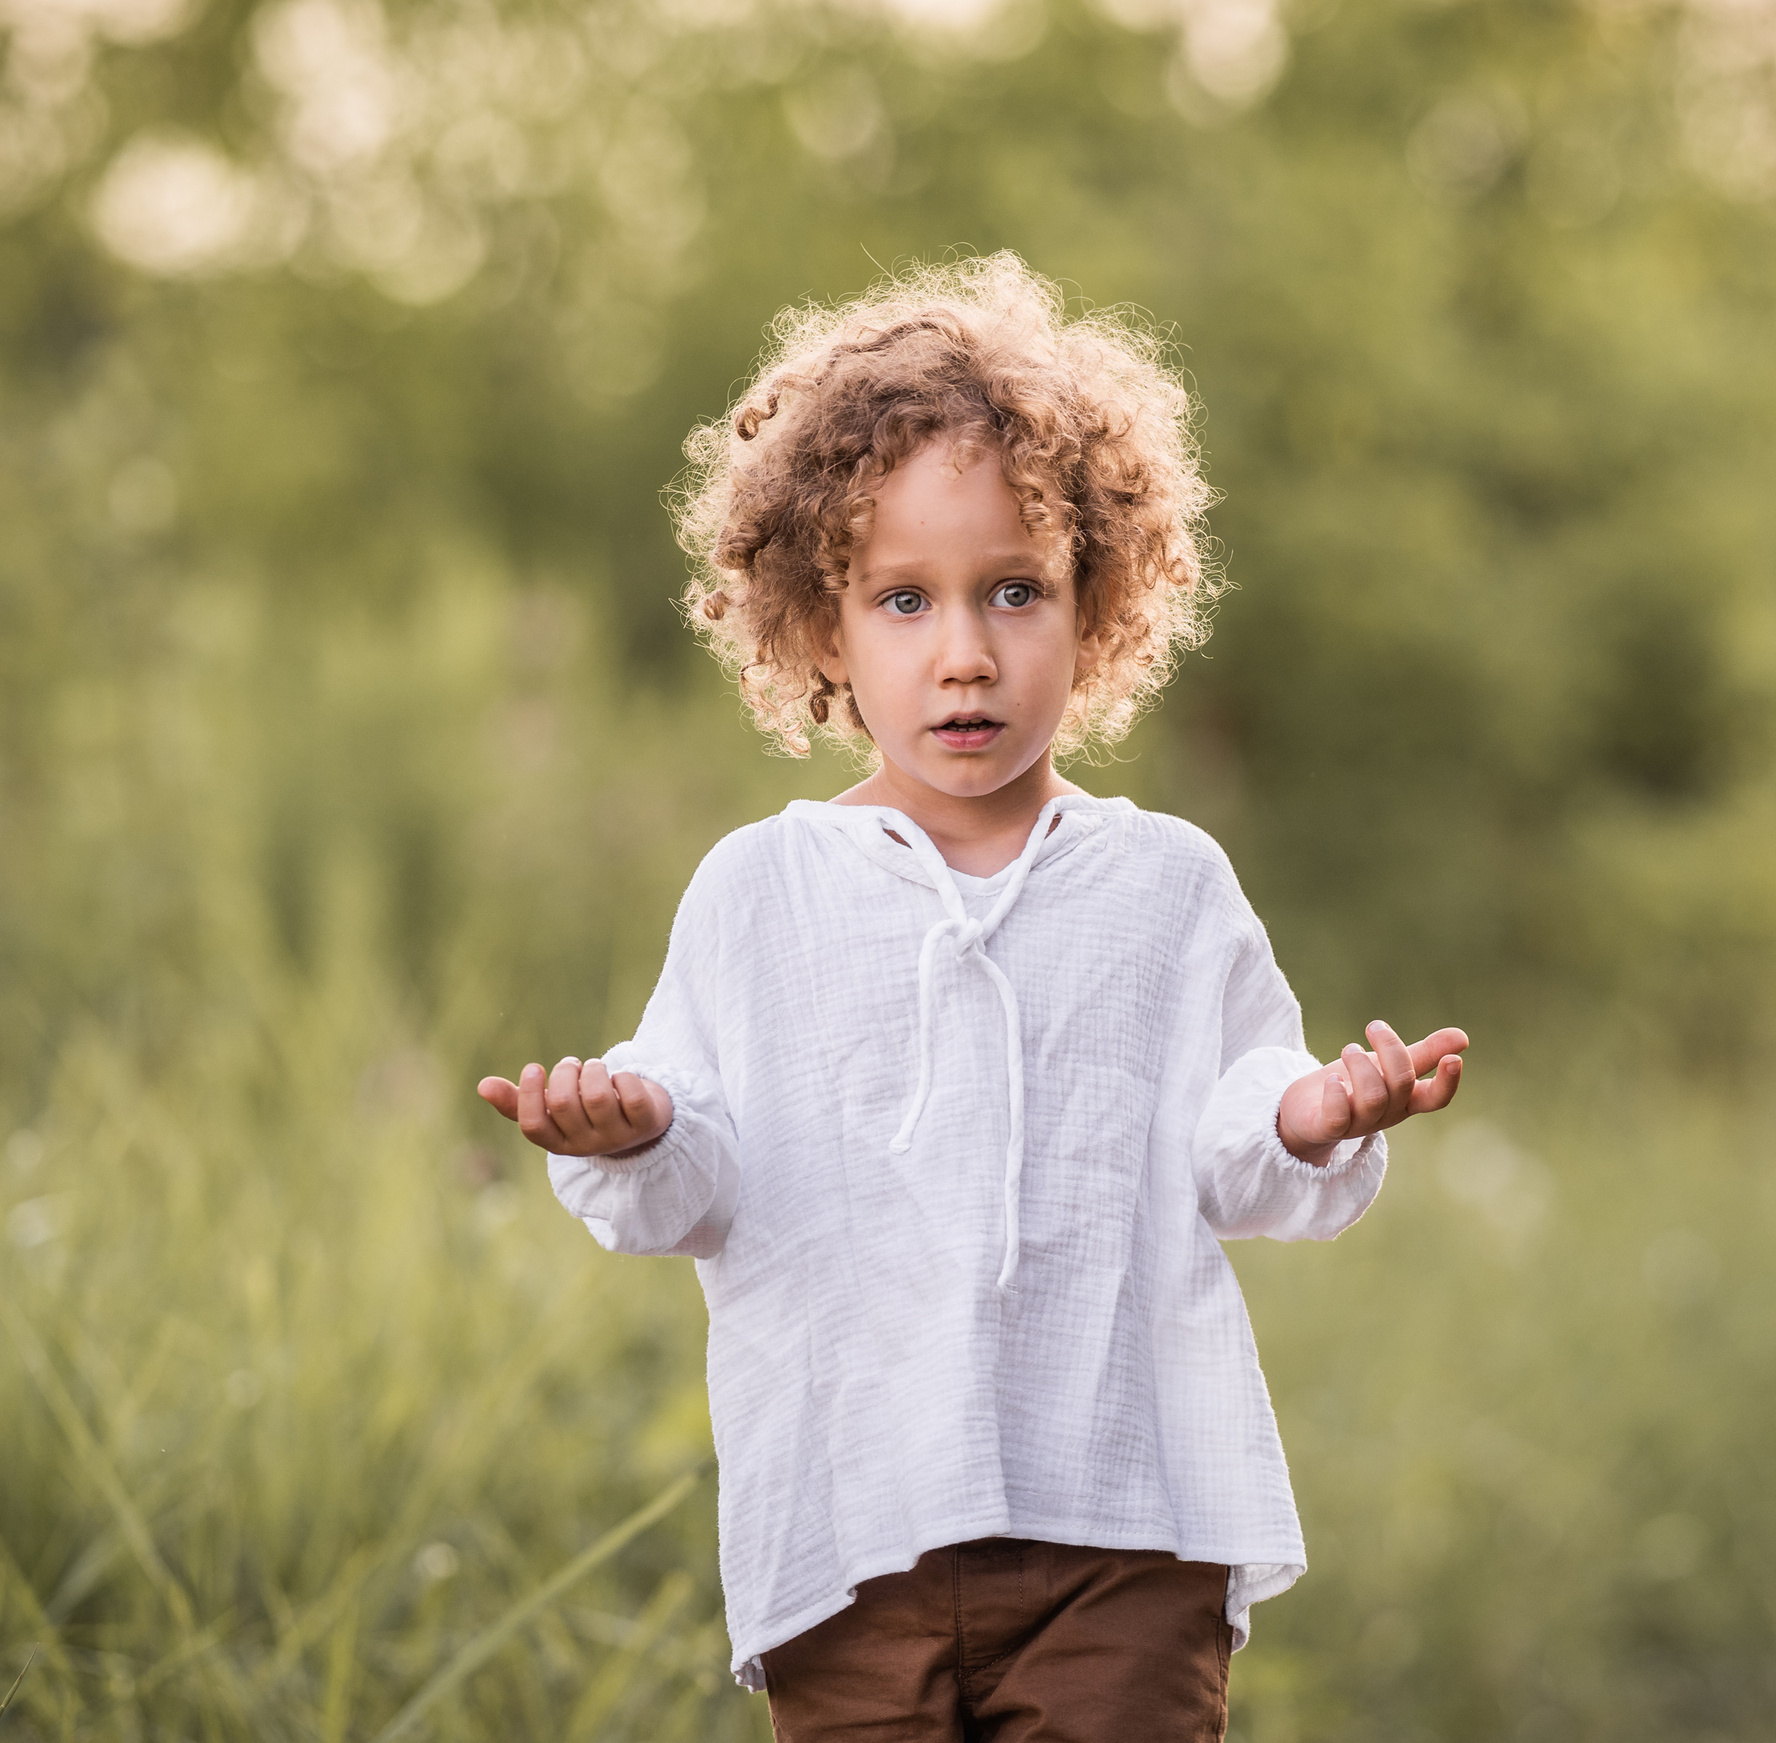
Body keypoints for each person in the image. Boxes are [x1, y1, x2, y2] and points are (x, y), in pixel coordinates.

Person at [477, 253, 1467, 1741]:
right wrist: (631, 1129)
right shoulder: (763, 894)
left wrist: (1315, 1111)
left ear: (1098, 605)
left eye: (1016, 590)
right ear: (820, 627)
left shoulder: (1163, 884)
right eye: (902, 600)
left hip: (1124, 1531)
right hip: (855, 1535)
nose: (965, 654)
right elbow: (704, 1172)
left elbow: (1234, 1132)